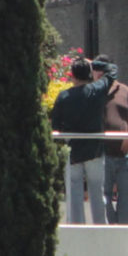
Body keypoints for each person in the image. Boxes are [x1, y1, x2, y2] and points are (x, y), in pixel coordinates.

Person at [49, 58, 107, 224]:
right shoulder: (97, 91)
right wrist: (94, 64)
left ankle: (77, 225)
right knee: (97, 192)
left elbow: (55, 124)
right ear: (89, 74)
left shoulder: (64, 96)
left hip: (73, 151)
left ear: (72, 75)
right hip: (94, 150)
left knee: (74, 192)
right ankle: (100, 226)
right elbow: (113, 70)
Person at [93, 55, 128, 224]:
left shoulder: (124, 90)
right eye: (96, 70)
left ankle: (124, 232)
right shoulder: (92, 91)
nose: (100, 73)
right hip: (101, 155)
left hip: (125, 155)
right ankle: (110, 232)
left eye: (103, 70)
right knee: (102, 201)